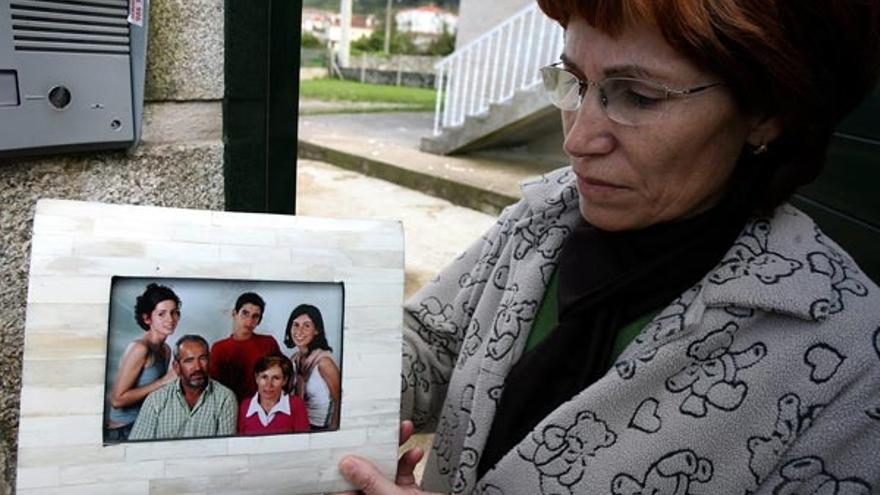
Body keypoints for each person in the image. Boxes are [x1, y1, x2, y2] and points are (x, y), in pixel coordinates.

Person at [338, 1, 880, 493]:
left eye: (638, 96)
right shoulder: (543, 215)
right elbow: (433, 346)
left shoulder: (849, 359)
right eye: (573, 80)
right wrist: (309, 368)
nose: (576, 140)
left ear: (766, 110)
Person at [106, 283, 180, 441]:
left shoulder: (165, 349)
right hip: (123, 429)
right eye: (162, 314)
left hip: (146, 423)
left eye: (174, 313)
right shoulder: (140, 348)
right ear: (147, 318)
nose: (170, 319)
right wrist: (164, 381)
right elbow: (117, 400)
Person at [129, 335, 237, 440]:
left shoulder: (225, 398)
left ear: (209, 361)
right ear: (176, 367)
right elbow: (136, 448)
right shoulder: (156, 400)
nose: (198, 367)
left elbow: (225, 451)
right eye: (189, 361)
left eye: (203, 358)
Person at [209, 292, 282, 401]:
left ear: (259, 320)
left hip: (264, 407)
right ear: (234, 313)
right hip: (231, 407)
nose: (249, 321)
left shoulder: (268, 343)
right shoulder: (219, 348)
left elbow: (282, 376)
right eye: (245, 313)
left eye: (255, 316)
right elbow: (214, 387)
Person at [284, 304, 341, 430]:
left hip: (321, 427)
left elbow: (340, 401)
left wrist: (333, 432)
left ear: (317, 330)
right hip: (298, 424)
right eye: (296, 325)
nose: (299, 331)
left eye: (307, 326)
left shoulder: (324, 362)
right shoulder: (294, 359)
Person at [238, 355, 310, 435]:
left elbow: (303, 443)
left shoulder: (296, 404)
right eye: (264, 377)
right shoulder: (245, 405)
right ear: (257, 378)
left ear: (284, 381)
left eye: (276, 378)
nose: (268, 384)